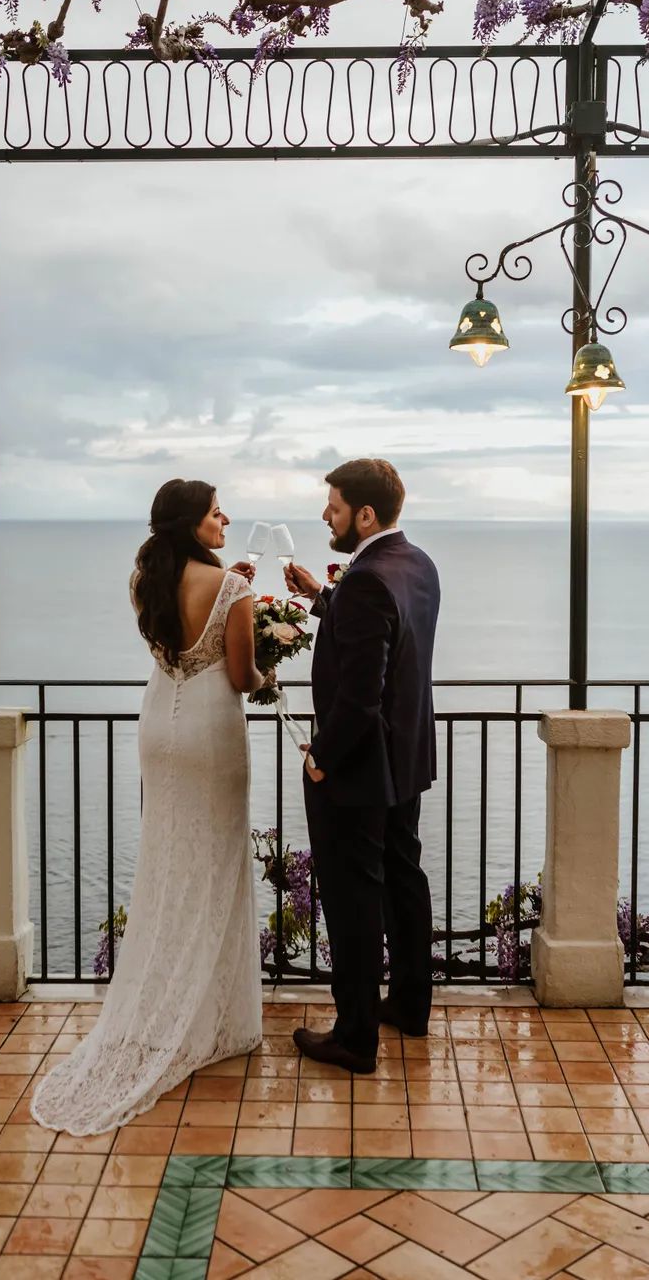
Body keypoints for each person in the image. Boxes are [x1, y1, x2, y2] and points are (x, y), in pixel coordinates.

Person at [31, 479, 268, 1135]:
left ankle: (169, 1010)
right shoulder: (234, 590)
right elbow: (241, 675)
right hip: (211, 732)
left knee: (167, 864)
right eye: (216, 510)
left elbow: (181, 645)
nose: (225, 517)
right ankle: (213, 1021)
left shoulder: (147, 580)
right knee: (216, 865)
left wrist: (231, 584)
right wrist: (267, 665)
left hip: (159, 726)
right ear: (193, 522)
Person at [284, 458, 441, 1074]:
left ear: (365, 514)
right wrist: (323, 598)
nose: (326, 514)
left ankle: (354, 1037)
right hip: (406, 759)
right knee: (404, 879)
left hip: (359, 769)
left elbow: (358, 697)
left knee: (353, 900)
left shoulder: (366, 581)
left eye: (335, 505)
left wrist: (320, 757)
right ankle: (408, 1004)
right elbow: (385, 633)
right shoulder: (416, 564)